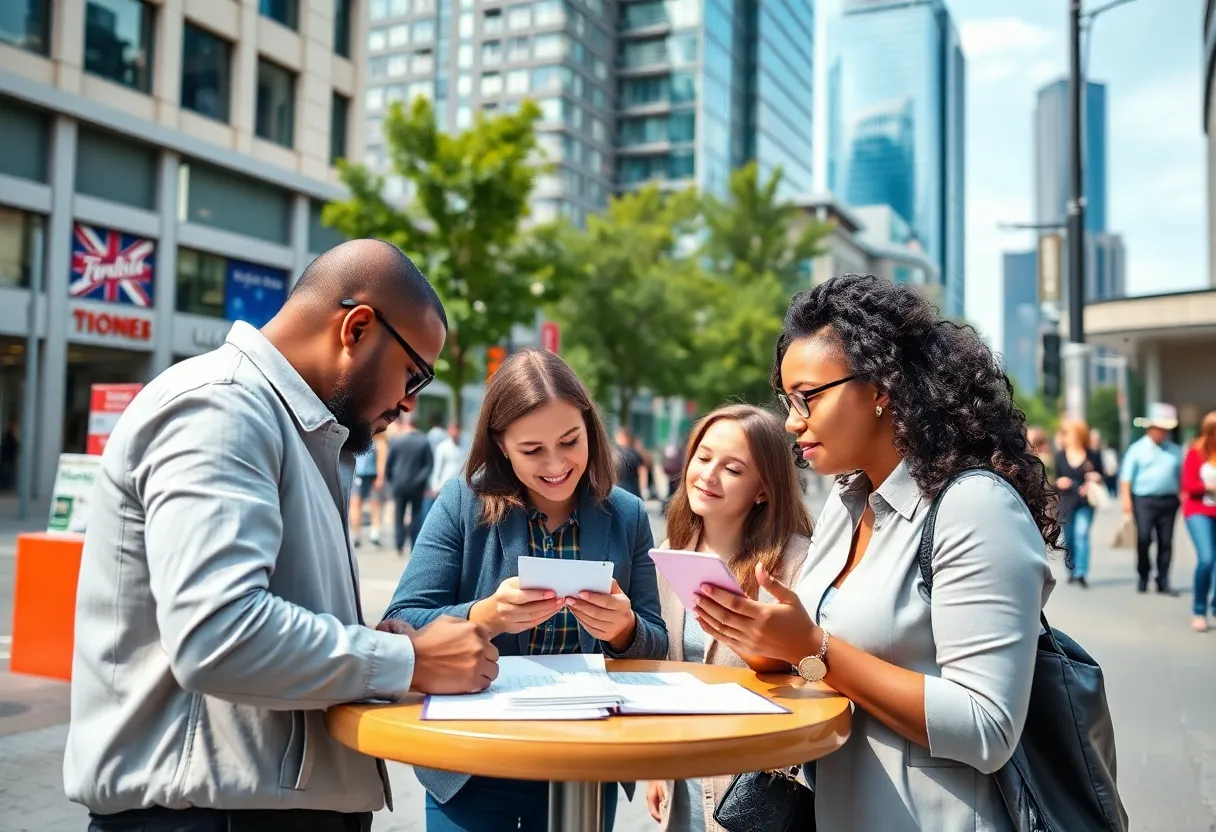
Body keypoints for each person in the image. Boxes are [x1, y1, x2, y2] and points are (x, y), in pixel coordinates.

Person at [64, 239, 499, 832]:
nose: (406, 401)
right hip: (208, 815)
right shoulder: (223, 409)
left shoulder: (292, 426)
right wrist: (406, 659)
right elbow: (218, 634)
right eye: (414, 375)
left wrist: (363, 642)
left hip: (246, 805)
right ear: (357, 327)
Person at [691, 274, 1056, 832]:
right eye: (788, 401)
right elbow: (818, 661)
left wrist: (812, 646)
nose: (792, 421)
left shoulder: (974, 507)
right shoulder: (845, 502)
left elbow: (988, 729)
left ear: (881, 388)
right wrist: (765, 640)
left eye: (807, 397)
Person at [381, 347, 667, 832]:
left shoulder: (626, 514)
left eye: (570, 441)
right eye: (532, 450)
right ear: (501, 446)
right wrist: (484, 617)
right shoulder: (462, 503)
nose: (556, 465)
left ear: (590, 430)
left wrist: (624, 629)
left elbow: (657, 641)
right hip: (474, 756)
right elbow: (403, 620)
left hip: (585, 759)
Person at [645, 404, 812, 832]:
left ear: (763, 489)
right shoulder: (672, 550)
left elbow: (816, 676)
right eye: (703, 457)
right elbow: (668, 669)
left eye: (732, 469)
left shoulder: (796, 564)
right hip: (681, 784)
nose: (708, 475)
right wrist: (656, 766)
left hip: (753, 789)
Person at [1120, 403, 1184, 594]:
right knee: (1144, 537)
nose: (1162, 433)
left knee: (1166, 541)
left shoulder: (1175, 451)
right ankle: (1143, 575)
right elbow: (1126, 478)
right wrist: (1126, 502)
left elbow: (1182, 476)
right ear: (1150, 428)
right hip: (1144, 500)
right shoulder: (1137, 449)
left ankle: (1162, 579)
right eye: (1159, 429)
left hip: (1169, 500)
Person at [1054, 419, 1104, 588]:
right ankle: (1071, 569)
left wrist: (1094, 479)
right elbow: (1054, 478)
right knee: (1068, 538)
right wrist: (1059, 481)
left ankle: (1081, 572)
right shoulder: (1060, 455)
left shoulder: (1093, 454)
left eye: (1068, 433)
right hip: (1066, 500)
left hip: (1085, 500)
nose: (1065, 437)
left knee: (1082, 534)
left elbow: (1101, 475)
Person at [1182, 411, 1216, 631]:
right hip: (1199, 511)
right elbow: (1188, 484)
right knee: (1206, 558)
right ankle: (1199, 609)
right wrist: (1209, 487)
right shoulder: (1196, 452)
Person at [387, 412, 433, 556]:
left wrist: (392, 480)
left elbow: (389, 465)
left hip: (399, 484)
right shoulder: (424, 441)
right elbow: (429, 465)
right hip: (416, 486)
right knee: (416, 516)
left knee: (399, 516)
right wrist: (420, 481)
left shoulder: (397, 441)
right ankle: (414, 545)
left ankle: (399, 545)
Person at [350, 431, 387, 547]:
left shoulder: (378, 440)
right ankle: (356, 534)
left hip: (372, 476)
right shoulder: (356, 438)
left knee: (375, 505)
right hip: (358, 476)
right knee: (355, 506)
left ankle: (374, 533)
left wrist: (380, 477)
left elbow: (381, 459)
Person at [424, 422, 467, 523]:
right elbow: (437, 468)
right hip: (445, 486)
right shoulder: (443, 447)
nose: (454, 433)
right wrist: (435, 485)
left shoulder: (465, 446)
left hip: (462, 485)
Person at [614, 424, 648, 499]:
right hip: (633, 490)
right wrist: (644, 488)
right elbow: (643, 471)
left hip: (621, 489)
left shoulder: (615, 453)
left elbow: (642, 471)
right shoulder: (634, 453)